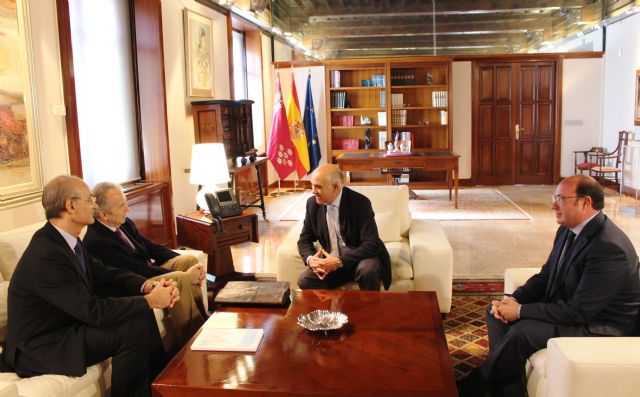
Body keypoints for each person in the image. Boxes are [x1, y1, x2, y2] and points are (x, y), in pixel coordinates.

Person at [457, 175, 640, 397]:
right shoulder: (567, 229)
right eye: (555, 197)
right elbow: (546, 276)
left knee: (523, 331)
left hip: (598, 326)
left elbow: (579, 312)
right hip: (571, 308)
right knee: (494, 312)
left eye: (561, 198)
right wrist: (514, 299)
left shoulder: (609, 248)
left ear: (585, 202)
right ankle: (508, 389)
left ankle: (470, 387)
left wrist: (521, 311)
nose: (553, 204)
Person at [5, 175, 179, 397]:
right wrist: (150, 301)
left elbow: (104, 272)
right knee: (132, 327)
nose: (94, 206)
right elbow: (92, 311)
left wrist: (146, 286)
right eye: (90, 200)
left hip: (65, 327)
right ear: (70, 206)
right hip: (41, 345)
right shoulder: (46, 255)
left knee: (139, 313)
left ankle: (158, 386)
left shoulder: (67, 239)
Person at [83, 182, 207, 346]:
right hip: (135, 281)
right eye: (122, 206)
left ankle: (204, 320)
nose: (128, 209)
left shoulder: (122, 222)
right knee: (181, 278)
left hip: (146, 268)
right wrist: (185, 275)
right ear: (104, 215)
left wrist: (177, 258)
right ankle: (192, 339)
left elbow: (148, 245)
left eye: (125, 203)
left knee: (189, 261)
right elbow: (136, 270)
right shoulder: (97, 242)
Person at [296, 164, 391, 290]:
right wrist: (311, 259)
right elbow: (304, 239)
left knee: (368, 271)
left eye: (318, 187)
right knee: (304, 280)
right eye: (312, 185)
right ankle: (330, 309)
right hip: (331, 261)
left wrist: (339, 262)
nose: (313, 191)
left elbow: (372, 244)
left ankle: (369, 309)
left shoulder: (360, 203)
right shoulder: (312, 204)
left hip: (359, 258)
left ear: (335, 187)